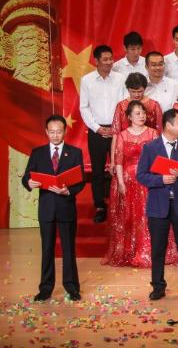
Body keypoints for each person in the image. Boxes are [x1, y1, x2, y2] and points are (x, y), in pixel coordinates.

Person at [136, 109, 178, 300]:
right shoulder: (151, 148)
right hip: (158, 207)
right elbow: (141, 175)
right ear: (168, 125)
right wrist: (161, 180)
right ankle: (158, 286)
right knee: (158, 249)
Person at [23, 115, 86, 301]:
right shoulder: (38, 153)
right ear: (46, 132)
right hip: (46, 208)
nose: (55, 135)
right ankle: (45, 288)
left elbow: (81, 180)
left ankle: (72, 287)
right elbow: (26, 176)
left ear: (65, 131)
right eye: (52, 132)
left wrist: (68, 191)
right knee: (47, 249)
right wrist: (29, 182)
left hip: (66, 207)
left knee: (68, 250)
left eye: (59, 132)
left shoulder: (75, 153)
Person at [104, 101, 158, 268]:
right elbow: (119, 161)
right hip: (128, 180)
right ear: (129, 116)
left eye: (143, 113)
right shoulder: (122, 135)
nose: (142, 116)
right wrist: (120, 182)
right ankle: (129, 251)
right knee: (128, 216)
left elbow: (158, 158)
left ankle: (147, 252)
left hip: (147, 179)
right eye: (137, 113)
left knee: (147, 215)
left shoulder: (153, 133)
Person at [78, 44, 126, 223]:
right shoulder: (87, 80)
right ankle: (100, 206)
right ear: (96, 61)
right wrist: (96, 128)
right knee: (98, 171)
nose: (109, 62)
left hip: (117, 130)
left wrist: (116, 127)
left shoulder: (120, 78)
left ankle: (120, 204)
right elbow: (84, 107)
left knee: (119, 167)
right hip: (96, 131)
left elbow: (124, 104)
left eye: (111, 59)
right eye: (105, 59)